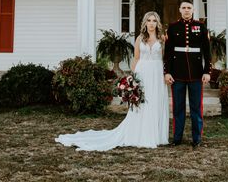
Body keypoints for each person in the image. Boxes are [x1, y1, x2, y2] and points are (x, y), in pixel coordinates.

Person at [55, 12, 169, 150]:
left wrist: (165, 73)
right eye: (149, 20)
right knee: (142, 103)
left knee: (155, 101)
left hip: (156, 73)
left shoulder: (162, 39)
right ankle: (140, 134)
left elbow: (164, 59)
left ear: (158, 23)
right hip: (143, 72)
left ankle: (156, 135)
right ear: (145, 23)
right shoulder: (140, 38)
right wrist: (132, 78)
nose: (151, 23)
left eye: (154, 21)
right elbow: (136, 59)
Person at [164, 0, 211, 148]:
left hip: (196, 73)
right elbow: (168, 53)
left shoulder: (201, 26)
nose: (186, 10)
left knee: (196, 107)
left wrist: (207, 71)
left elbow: (207, 52)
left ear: (193, 10)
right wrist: (167, 72)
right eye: (183, 7)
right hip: (177, 74)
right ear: (179, 10)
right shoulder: (172, 27)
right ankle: (177, 138)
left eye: (189, 8)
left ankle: (197, 139)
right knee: (178, 107)